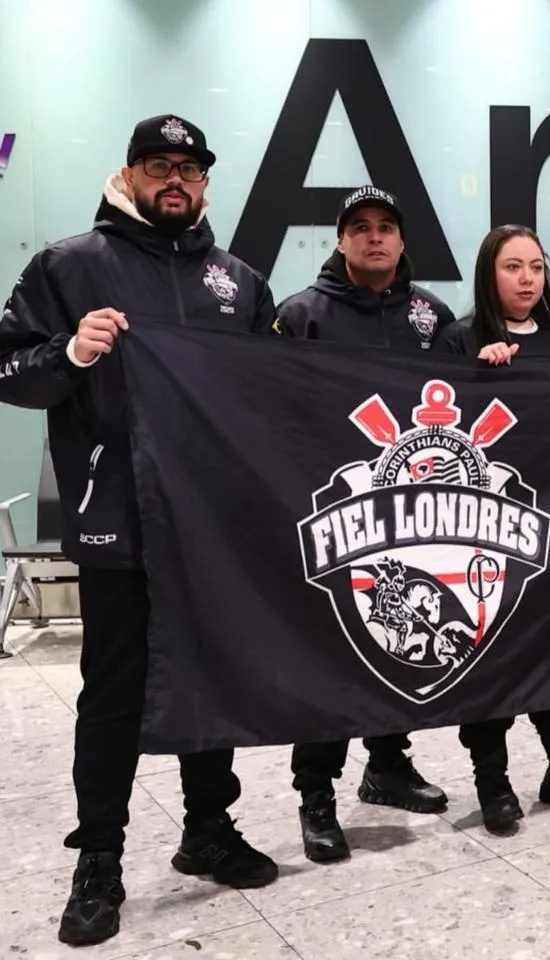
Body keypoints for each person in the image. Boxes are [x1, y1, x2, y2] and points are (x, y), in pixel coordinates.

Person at [0, 115, 279, 947]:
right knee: (115, 690)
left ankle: (207, 831)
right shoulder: (68, 264)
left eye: (190, 170)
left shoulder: (240, 280)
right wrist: (71, 355)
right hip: (114, 518)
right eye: (161, 166)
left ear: (204, 183)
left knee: (210, 677)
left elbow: (271, 396)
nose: (176, 181)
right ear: (129, 174)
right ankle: (101, 861)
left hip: (212, 525)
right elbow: (7, 371)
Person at [277, 185, 455, 864]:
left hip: (408, 512)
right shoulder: (300, 314)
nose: (375, 237)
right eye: (360, 227)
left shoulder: (430, 314)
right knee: (329, 655)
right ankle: (315, 796)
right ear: (341, 239)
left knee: (398, 637)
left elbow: (462, 397)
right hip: (329, 510)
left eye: (386, 226)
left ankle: (387, 764)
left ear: (402, 240)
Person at [438, 224, 550, 831]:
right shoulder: (459, 339)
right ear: (489, 273)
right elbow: (435, 435)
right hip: (484, 529)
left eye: (536, 268)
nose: (526, 279)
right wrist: (477, 376)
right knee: (487, 658)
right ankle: (492, 782)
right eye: (513, 267)